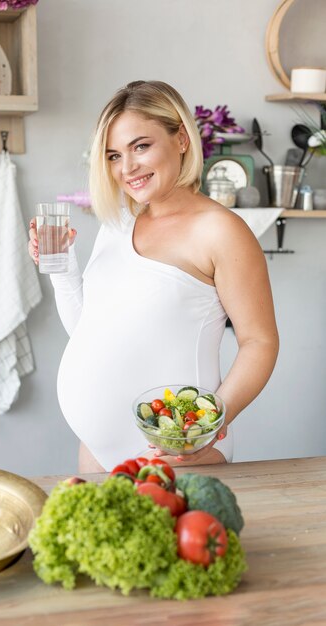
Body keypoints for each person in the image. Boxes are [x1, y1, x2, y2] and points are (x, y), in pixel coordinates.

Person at [28, 80, 279, 473]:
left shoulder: (220, 231)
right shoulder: (119, 221)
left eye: (140, 146)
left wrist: (209, 424)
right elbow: (87, 329)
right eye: (113, 155)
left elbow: (260, 342)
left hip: (176, 453)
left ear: (180, 138)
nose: (126, 169)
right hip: (95, 450)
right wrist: (61, 269)